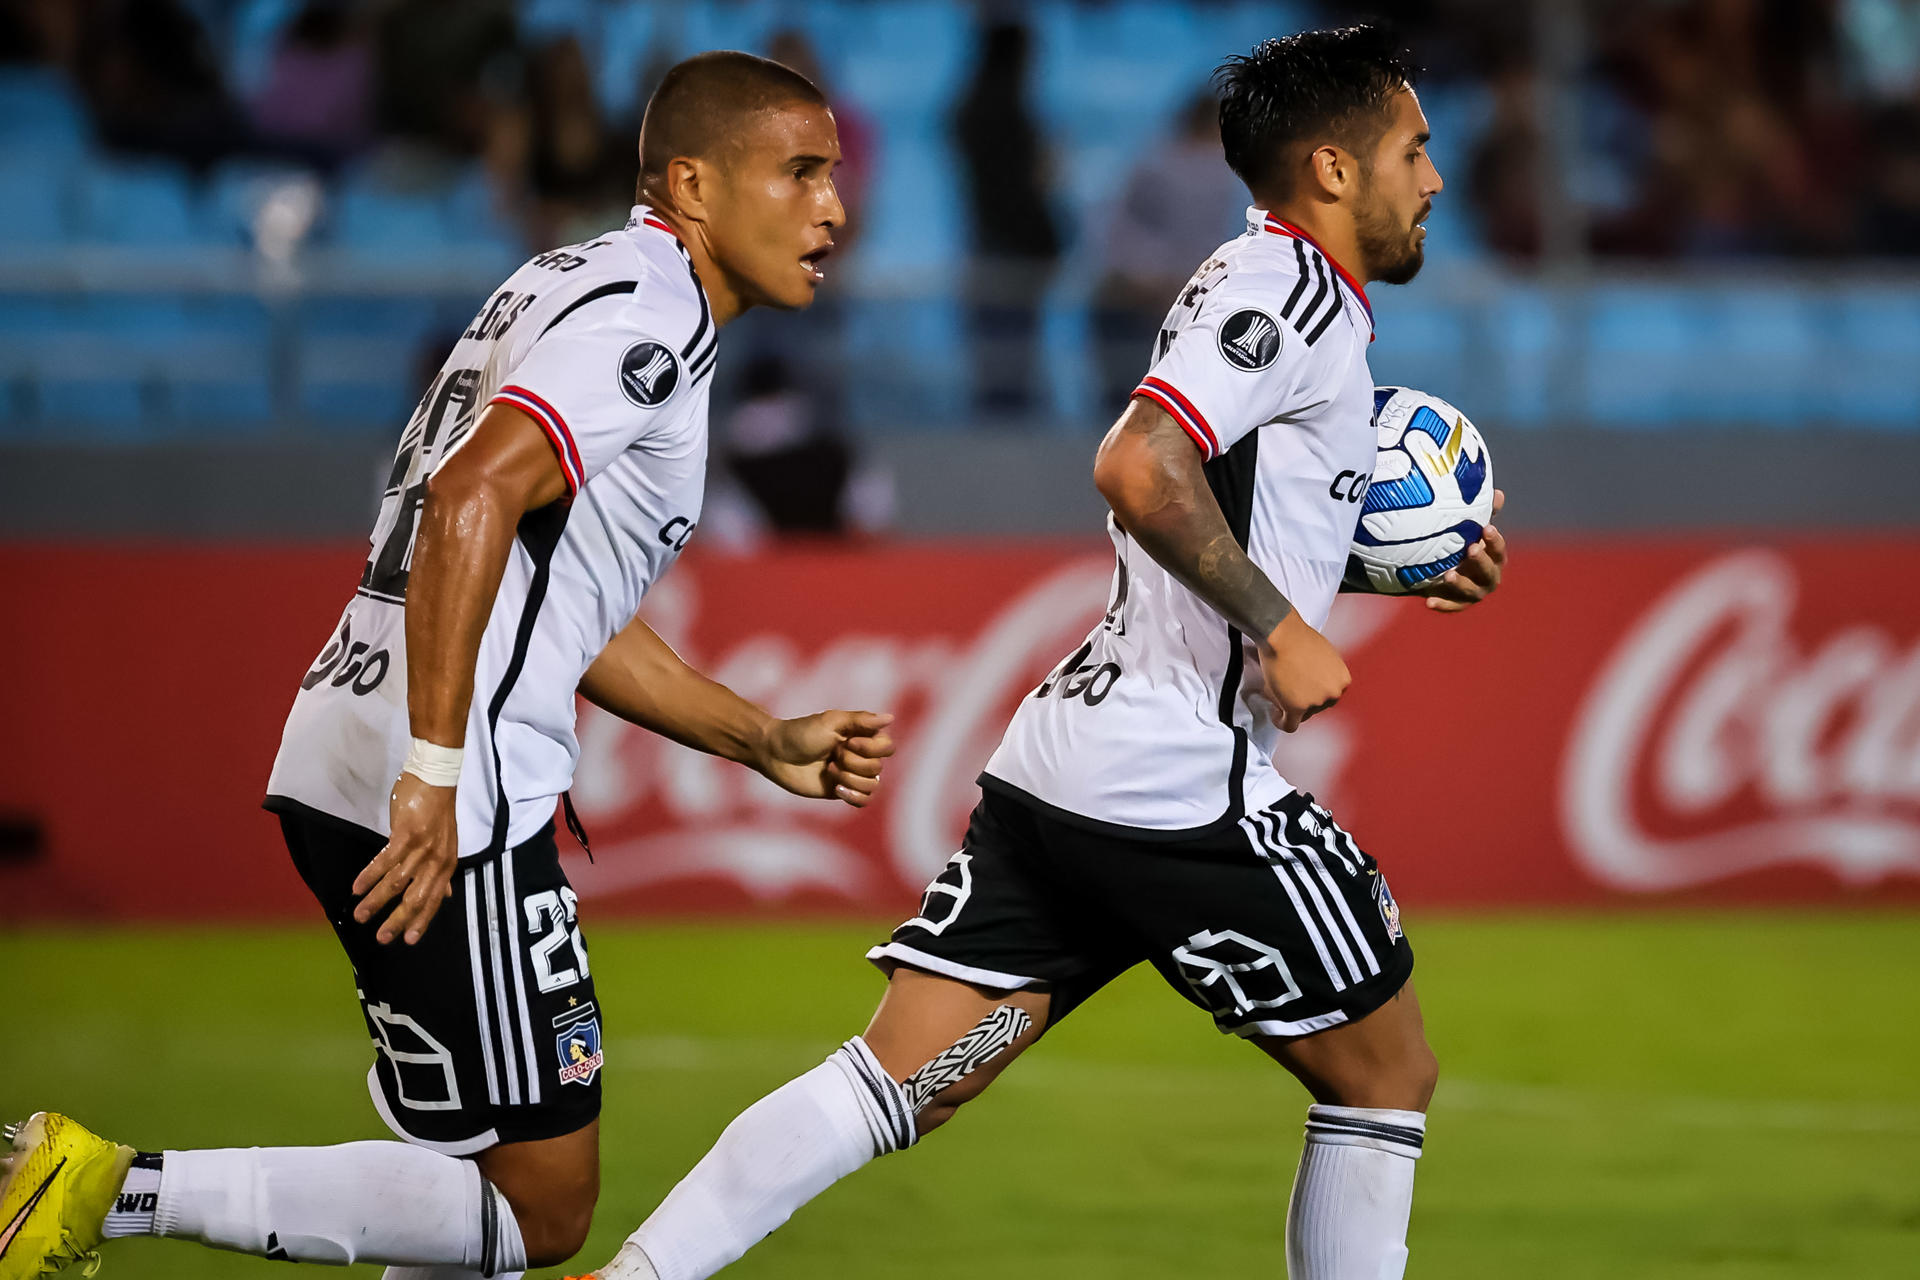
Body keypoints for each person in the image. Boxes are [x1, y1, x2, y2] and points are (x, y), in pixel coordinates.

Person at [566, 26, 1506, 1280]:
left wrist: (1378, 554)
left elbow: (1236, 490)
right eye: (1413, 149)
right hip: (1179, 776)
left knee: (897, 1079)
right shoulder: (1285, 293)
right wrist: (1282, 627)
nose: (1436, 178)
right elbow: (1137, 463)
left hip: (1073, 769)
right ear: (1333, 169)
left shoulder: (1281, 295)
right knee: (1386, 1072)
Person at [1, 51, 883, 1280]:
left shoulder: (567, 281)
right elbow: (474, 495)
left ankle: (98, 1186)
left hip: (348, 751)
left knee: (465, 1180)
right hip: (448, 795)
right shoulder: (652, 314)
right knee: (543, 1206)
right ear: (693, 182)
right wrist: (436, 769)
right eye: (800, 172)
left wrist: (756, 735)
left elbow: (561, 599)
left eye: (833, 175)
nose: (834, 205)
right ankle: (102, 1185)